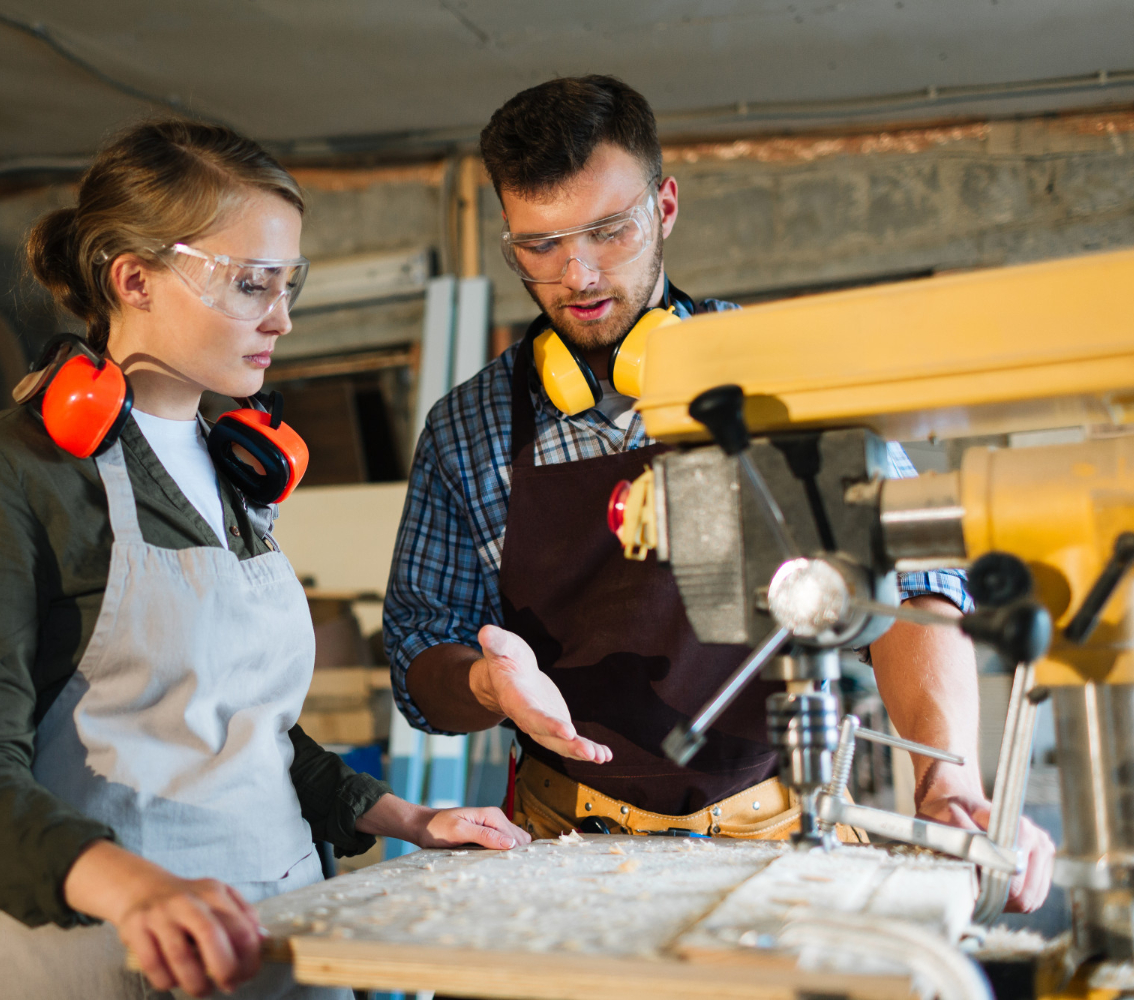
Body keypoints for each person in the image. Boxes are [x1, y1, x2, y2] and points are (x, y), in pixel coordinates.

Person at [382, 76, 1053, 912]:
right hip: (559, 849)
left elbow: (914, 582)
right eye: (539, 246)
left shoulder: (781, 384)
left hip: (776, 839)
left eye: (608, 230)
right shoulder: (468, 430)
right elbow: (420, 662)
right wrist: (488, 684)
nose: (578, 274)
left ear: (665, 205)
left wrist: (948, 780)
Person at [0, 119, 530, 1000]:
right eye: (249, 284)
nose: (281, 316)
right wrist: (136, 888)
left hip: (282, 939)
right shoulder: (14, 470)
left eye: (287, 284)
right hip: (115, 952)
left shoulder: (237, 466)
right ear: (134, 278)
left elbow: (248, 734)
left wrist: (412, 820)